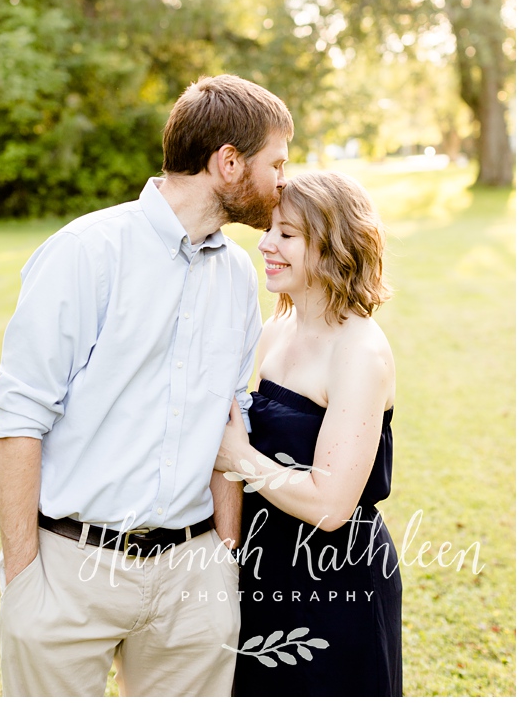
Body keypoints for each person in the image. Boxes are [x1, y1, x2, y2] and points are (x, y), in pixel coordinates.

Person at [0, 74, 293, 696]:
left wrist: (222, 568)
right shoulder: (85, 252)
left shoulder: (238, 274)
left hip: (192, 577)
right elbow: (19, 417)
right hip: (70, 569)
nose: (284, 181)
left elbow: (230, 424)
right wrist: (24, 582)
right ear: (228, 163)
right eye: (277, 163)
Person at [214, 170, 400, 696]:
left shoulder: (360, 352)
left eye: (287, 234)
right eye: (269, 230)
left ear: (335, 245)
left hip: (337, 580)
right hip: (265, 563)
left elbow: (331, 504)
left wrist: (238, 457)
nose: (266, 244)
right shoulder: (277, 328)